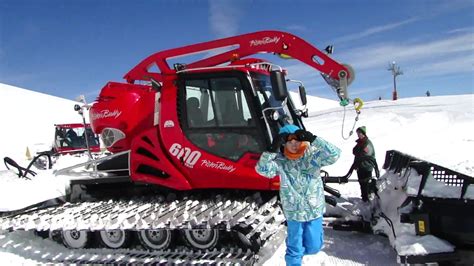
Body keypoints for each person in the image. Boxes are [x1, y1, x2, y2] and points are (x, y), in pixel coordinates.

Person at [255, 124, 341, 266]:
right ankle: (294, 258)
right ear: (283, 143)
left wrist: (314, 139)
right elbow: (262, 170)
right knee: (295, 249)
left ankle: (298, 251)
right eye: (289, 141)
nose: (294, 145)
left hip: (314, 211)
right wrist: (271, 150)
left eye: (297, 141)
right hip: (293, 212)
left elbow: (335, 154)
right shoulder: (280, 162)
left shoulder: (313, 157)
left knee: (314, 246)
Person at [352, 126, 379, 202]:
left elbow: (365, 154)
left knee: (366, 183)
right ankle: (364, 198)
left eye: (359, 133)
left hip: (366, 167)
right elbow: (354, 151)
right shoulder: (360, 142)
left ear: (363, 133)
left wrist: (358, 152)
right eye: (357, 133)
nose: (358, 135)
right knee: (361, 183)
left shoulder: (367, 143)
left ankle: (367, 199)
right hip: (360, 166)